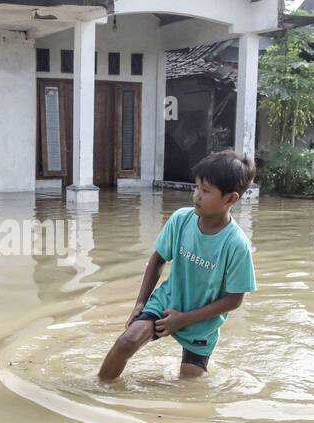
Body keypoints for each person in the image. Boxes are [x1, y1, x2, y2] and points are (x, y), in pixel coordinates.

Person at [97, 150, 257, 381]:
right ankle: (96, 389)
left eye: (206, 191)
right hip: (167, 302)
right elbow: (157, 259)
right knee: (127, 341)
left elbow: (234, 300)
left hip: (201, 323)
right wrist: (141, 302)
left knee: (190, 385)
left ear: (231, 199)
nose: (196, 196)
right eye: (196, 187)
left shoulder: (236, 244)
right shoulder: (182, 219)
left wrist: (183, 319)